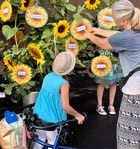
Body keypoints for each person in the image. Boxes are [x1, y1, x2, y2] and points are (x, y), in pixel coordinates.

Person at [84, 0, 140, 148]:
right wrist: (98, 30)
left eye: (114, 17)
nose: (113, 20)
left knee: (128, 135)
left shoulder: (125, 37)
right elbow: (117, 34)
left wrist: (88, 35)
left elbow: (104, 44)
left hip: (136, 89)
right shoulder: (135, 32)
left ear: (123, 19)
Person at [33, 51, 85, 149]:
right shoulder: (63, 83)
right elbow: (66, 107)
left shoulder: (47, 76)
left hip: (37, 114)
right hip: (50, 120)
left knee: (41, 138)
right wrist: (78, 115)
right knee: (52, 141)